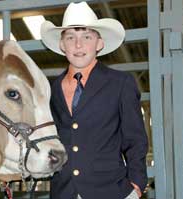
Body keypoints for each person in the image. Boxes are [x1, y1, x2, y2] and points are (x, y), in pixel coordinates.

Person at [40, 2, 148, 199]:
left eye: (87, 37)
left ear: (99, 43)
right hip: (64, 192)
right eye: (70, 37)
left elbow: (135, 139)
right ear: (62, 44)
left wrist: (136, 184)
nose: (78, 45)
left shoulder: (120, 83)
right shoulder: (51, 89)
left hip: (112, 191)